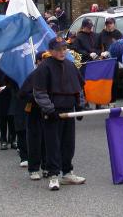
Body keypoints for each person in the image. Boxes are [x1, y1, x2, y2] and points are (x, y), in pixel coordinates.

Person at [31, 37, 86, 191]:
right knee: (52, 144)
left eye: (64, 49)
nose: (62, 52)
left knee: (68, 143)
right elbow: (40, 93)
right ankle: (54, 175)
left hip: (69, 112)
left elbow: (78, 89)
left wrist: (80, 107)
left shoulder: (70, 65)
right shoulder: (44, 68)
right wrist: (50, 110)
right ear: (50, 51)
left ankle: (67, 172)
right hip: (53, 114)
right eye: (58, 49)